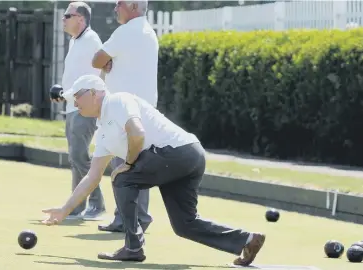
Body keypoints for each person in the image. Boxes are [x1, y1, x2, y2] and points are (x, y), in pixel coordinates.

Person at [41, 74, 266, 267]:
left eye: (77, 97)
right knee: (184, 224)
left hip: (179, 153)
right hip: (186, 157)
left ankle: (133, 247)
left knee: (122, 178)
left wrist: (128, 164)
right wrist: (65, 209)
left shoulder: (118, 100)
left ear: (94, 93)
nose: (74, 103)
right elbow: (92, 176)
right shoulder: (103, 133)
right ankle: (247, 240)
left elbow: (137, 133)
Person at [91, 0, 158, 233]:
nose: (115, 8)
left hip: (126, 112)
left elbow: (96, 59)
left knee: (126, 167)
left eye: (119, 3)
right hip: (142, 110)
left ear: (132, 5)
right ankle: (135, 217)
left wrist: (108, 61)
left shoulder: (127, 30)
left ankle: (129, 219)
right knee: (135, 166)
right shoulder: (148, 32)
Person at [51, 1, 106, 220]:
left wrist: (95, 98)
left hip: (86, 108)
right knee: (75, 157)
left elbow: (104, 67)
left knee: (79, 155)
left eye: (67, 15)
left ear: (80, 19)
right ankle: (77, 205)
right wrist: (64, 93)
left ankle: (96, 204)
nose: (63, 19)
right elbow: (78, 74)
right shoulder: (76, 41)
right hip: (72, 105)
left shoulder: (92, 39)